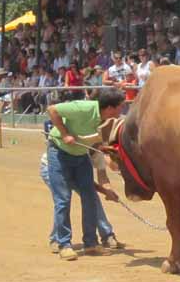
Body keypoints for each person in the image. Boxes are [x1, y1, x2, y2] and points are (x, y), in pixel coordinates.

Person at [46, 91, 126, 260]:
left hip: (81, 156)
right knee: (63, 199)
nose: (123, 109)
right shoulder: (83, 108)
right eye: (121, 106)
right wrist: (65, 133)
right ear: (110, 108)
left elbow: (101, 165)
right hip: (59, 153)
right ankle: (64, 244)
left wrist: (107, 191)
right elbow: (52, 110)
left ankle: (90, 243)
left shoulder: (107, 122)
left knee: (90, 197)